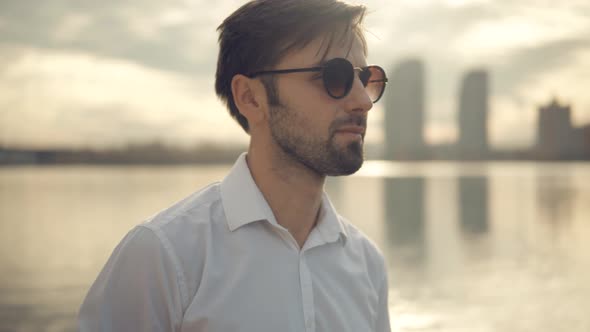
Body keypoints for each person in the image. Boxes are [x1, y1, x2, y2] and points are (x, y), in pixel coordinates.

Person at [78, 0, 390, 331]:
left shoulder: (367, 265)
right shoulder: (163, 255)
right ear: (250, 97)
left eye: (366, 78)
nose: (363, 101)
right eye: (334, 76)